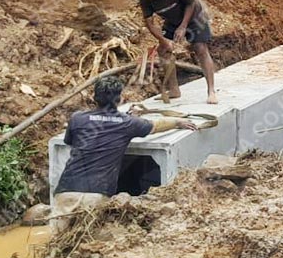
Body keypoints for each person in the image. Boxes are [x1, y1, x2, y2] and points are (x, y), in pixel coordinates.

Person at [51, 76, 197, 232]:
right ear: (119, 99)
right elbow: (156, 125)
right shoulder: (127, 123)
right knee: (87, 241)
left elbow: (71, 142)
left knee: (55, 240)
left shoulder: (77, 118)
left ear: (95, 98)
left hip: (67, 190)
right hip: (97, 194)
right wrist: (178, 122)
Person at [130, 0, 218, 104]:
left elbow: (191, 3)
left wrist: (183, 27)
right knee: (163, 50)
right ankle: (174, 90)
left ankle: (211, 91)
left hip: (195, 16)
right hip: (173, 20)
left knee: (200, 48)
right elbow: (149, 23)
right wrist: (163, 40)